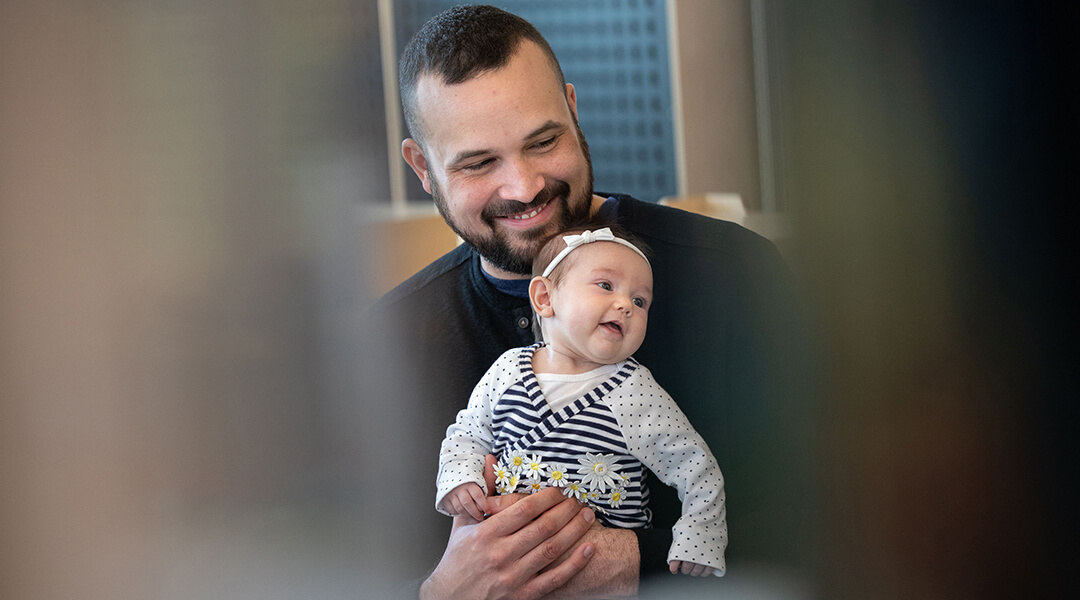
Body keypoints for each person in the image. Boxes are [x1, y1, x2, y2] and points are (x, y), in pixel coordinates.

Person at [361, 5, 810, 599]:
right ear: (422, 167)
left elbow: (830, 514)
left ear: (574, 111)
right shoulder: (384, 344)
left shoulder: (732, 273)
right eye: (478, 163)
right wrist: (437, 593)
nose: (523, 188)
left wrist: (638, 560)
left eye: (543, 141)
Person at [437, 226, 727, 579]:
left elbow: (696, 467)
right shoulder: (508, 369)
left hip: (600, 576)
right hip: (508, 569)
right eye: (606, 285)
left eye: (640, 301)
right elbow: (467, 433)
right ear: (545, 298)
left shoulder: (634, 391)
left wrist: (699, 535)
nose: (625, 305)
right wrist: (458, 477)